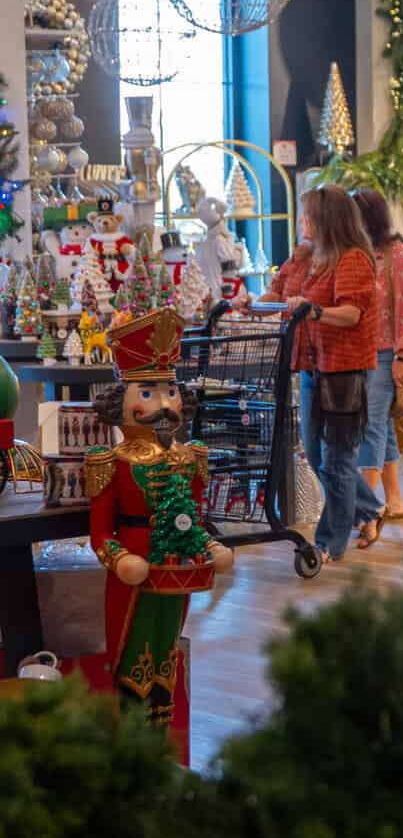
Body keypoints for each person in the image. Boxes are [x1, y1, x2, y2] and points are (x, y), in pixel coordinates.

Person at [87, 307, 235, 731]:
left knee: (168, 647)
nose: (166, 405)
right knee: (131, 650)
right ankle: (131, 732)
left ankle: (163, 730)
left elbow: (196, 519)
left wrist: (210, 546)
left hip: (179, 572)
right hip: (132, 575)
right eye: (148, 393)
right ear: (122, 401)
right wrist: (119, 559)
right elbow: (100, 534)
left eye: (170, 391)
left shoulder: (191, 457)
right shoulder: (109, 461)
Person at [259, 186, 381, 562]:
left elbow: (351, 314)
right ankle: (369, 508)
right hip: (312, 367)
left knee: (337, 461)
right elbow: (281, 297)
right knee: (315, 456)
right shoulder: (309, 258)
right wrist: (250, 304)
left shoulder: (352, 259)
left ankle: (328, 543)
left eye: (308, 214)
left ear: (326, 220)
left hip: (344, 370)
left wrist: (315, 311)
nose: (302, 220)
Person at [352, 189, 403, 524]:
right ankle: (394, 499)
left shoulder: (398, 255)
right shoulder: (354, 254)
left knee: (371, 425)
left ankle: (364, 508)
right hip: (357, 352)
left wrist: (402, 356)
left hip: (384, 353)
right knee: (382, 425)